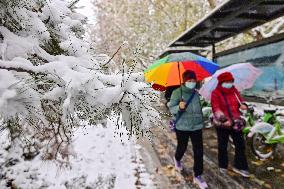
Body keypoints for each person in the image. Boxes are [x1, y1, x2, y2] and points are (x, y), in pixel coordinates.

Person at [168, 70, 208, 189]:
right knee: (182, 147)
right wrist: (178, 107)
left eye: (193, 80)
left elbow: (199, 109)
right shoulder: (177, 92)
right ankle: (177, 158)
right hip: (182, 127)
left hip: (196, 126)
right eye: (189, 80)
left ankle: (198, 176)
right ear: (184, 81)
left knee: (199, 152)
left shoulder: (196, 93)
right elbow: (171, 108)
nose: (192, 82)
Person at [211, 72, 250, 177]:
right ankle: (223, 166)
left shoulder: (234, 91)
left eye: (231, 81)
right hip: (223, 123)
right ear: (222, 82)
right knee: (223, 146)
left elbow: (241, 101)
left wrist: (244, 105)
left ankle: (240, 166)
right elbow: (216, 108)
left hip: (236, 122)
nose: (230, 83)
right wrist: (224, 120)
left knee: (240, 145)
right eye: (227, 81)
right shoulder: (215, 93)